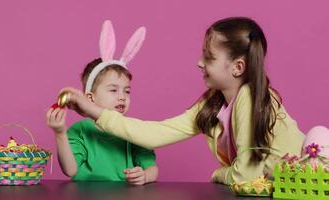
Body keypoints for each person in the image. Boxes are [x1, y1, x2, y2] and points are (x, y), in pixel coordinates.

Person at [59, 17, 305, 185]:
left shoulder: (250, 98)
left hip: (305, 184)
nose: (200, 62)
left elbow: (245, 175)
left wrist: (220, 174)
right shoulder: (213, 103)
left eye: (208, 57)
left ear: (238, 67)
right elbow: (154, 133)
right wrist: (94, 111)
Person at [46, 20, 158, 185]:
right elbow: (70, 170)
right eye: (113, 90)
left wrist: (145, 176)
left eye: (127, 91)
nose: (122, 97)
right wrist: (60, 133)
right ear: (90, 99)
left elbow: (152, 168)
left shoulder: (133, 129)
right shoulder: (80, 130)